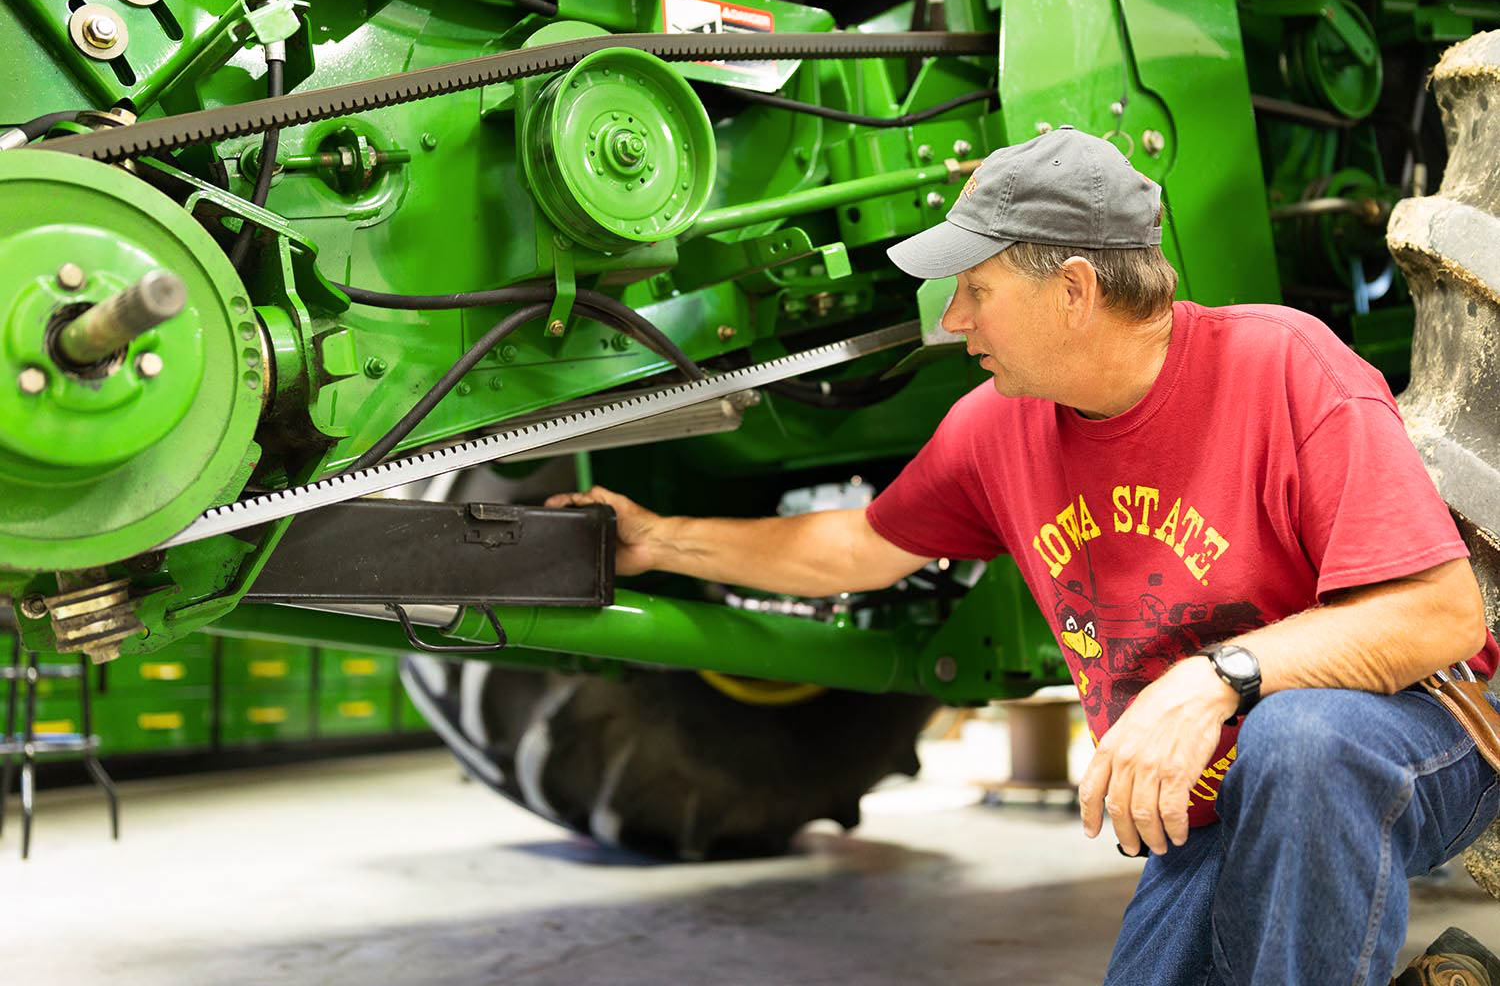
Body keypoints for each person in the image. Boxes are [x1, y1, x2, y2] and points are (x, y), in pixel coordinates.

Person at [546, 127, 1500, 986]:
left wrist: (1214, 680)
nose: (954, 319)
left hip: (1411, 736)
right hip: (1216, 795)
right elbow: (860, 546)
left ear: (1074, 290)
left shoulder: (1285, 367)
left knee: (1302, 743)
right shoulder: (992, 429)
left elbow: (1440, 615)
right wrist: (661, 540)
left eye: (976, 289)